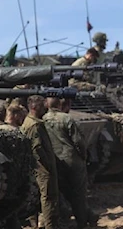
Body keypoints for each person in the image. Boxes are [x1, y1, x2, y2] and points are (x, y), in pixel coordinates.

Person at [42, 97, 98, 229]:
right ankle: (82, 222)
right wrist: (83, 156)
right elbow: (79, 141)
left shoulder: (42, 120)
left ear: (47, 105)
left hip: (55, 161)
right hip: (73, 160)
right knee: (79, 193)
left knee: (60, 192)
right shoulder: (67, 119)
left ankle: (62, 220)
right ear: (59, 105)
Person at [20, 95, 60, 229]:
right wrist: (47, 165)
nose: (45, 108)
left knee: (39, 197)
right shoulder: (34, 125)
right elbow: (36, 148)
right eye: (42, 106)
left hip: (39, 166)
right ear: (34, 107)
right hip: (42, 168)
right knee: (48, 198)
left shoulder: (32, 122)